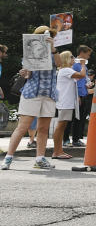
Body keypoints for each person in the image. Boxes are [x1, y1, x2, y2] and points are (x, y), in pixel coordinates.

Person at [2, 26, 59, 170]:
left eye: (51, 35)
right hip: (32, 93)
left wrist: (53, 48)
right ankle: (8, 158)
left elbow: (60, 64)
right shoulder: (30, 52)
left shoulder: (54, 52)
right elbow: (28, 75)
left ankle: (40, 158)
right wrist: (24, 72)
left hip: (49, 94)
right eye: (46, 35)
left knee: (43, 128)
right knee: (22, 127)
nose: (49, 37)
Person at [52, 50, 85, 160]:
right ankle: (56, 152)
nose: (73, 58)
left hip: (66, 102)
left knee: (62, 127)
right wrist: (83, 65)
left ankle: (59, 151)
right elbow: (82, 75)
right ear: (66, 59)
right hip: (65, 102)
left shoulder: (66, 70)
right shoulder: (66, 70)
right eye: (71, 57)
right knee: (61, 127)